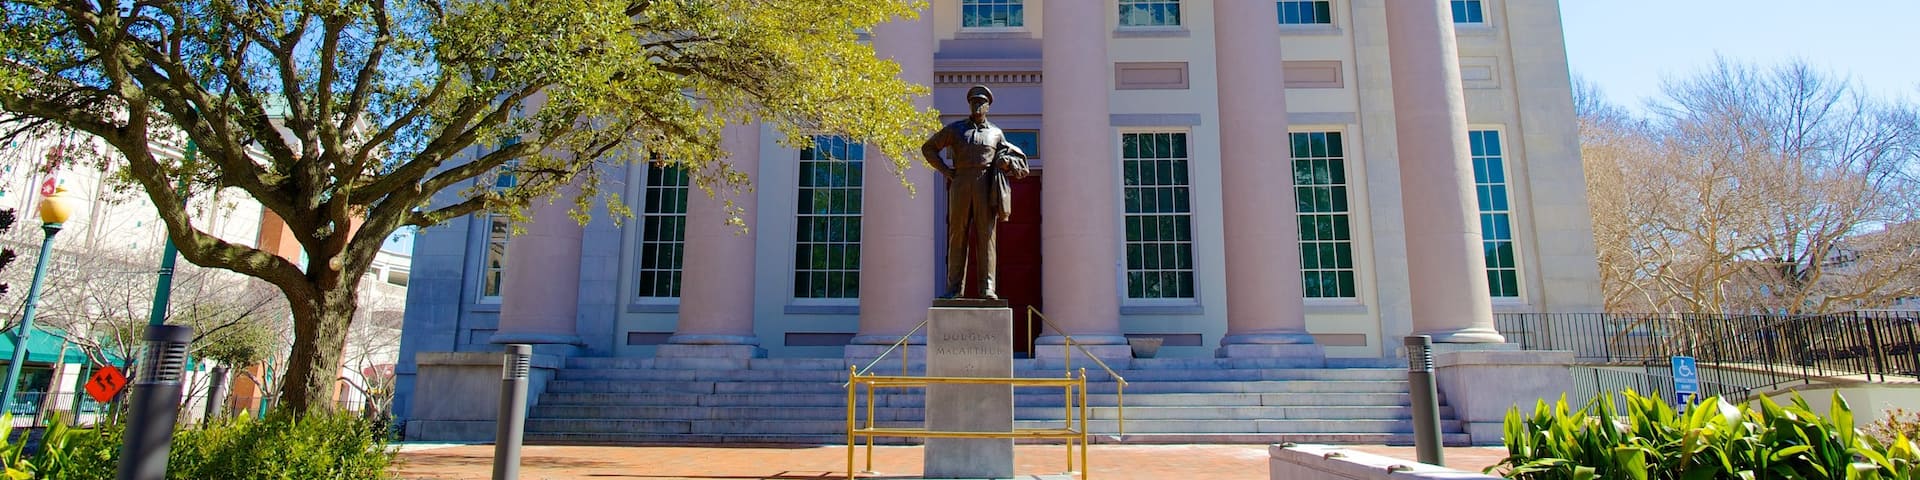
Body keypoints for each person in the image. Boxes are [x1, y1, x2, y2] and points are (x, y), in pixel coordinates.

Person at [921, 85, 1028, 299]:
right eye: (974, 102)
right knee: (957, 235)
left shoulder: (996, 133)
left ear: (988, 106)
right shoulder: (956, 129)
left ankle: (987, 288)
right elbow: (929, 148)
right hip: (960, 182)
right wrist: (947, 172)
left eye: (981, 102)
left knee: (986, 236)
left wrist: (1006, 162)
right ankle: (954, 289)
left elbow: (1013, 159)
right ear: (969, 104)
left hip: (985, 184)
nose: (977, 105)